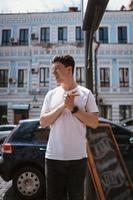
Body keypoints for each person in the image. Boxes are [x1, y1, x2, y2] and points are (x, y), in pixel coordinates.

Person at [40, 55, 99, 200]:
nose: (53, 74)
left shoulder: (86, 94)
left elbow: (94, 122)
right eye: (52, 71)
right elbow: (43, 122)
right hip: (53, 158)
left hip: (77, 159)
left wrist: (74, 108)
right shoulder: (51, 95)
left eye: (57, 70)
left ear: (69, 69)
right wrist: (62, 106)